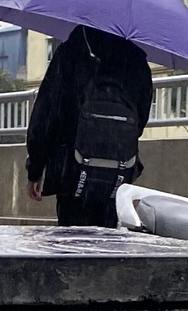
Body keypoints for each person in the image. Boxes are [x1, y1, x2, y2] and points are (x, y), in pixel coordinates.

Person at [25, 26, 154, 227]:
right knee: (108, 242)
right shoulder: (136, 59)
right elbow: (140, 118)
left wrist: (35, 168)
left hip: (71, 168)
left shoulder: (70, 52)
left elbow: (46, 115)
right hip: (118, 169)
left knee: (71, 243)